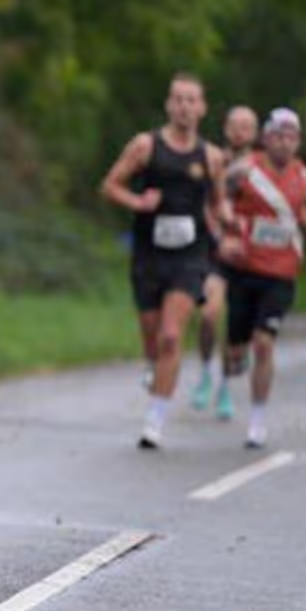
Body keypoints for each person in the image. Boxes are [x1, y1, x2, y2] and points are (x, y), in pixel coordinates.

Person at [101, 73, 227, 449]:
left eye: (192, 100)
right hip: (148, 256)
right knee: (154, 338)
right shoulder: (145, 146)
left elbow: (218, 204)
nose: (185, 106)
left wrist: (228, 228)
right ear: (169, 105)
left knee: (172, 336)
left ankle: (154, 421)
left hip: (190, 257)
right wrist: (138, 203)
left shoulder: (212, 156)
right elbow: (110, 185)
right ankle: (153, 366)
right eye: (178, 99)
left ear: (202, 108)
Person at [218, 108, 306, 449]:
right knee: (236, 347)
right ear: (266, 138)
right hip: (243, 269)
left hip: (281, 274)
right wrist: (230, 226)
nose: (284, 142)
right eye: (278, 136)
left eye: (291, 137)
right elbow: (219, 199)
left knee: (264, 343)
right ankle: (233, 360)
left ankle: (257, 421)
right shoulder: (243, 169)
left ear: (298, 142)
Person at [190, 106, 258, 420]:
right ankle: (205, 372)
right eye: (234, 125)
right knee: (208, 316)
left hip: (253, 259)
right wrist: (219, 237)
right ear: (225, 128)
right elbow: (203, 203)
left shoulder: (262, 168)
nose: (239, 132)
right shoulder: (212, 159)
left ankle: (226, 388)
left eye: (246, 127)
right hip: (218, 254)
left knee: (237, 335)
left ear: (255, 133)